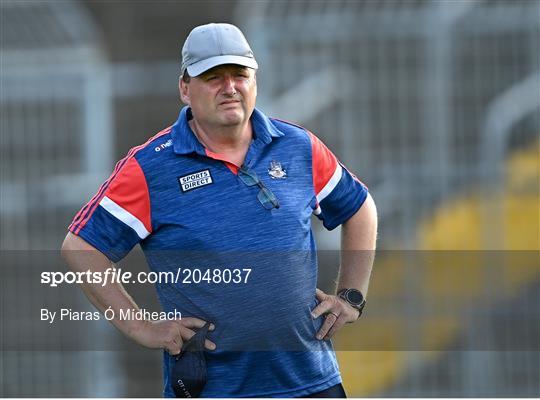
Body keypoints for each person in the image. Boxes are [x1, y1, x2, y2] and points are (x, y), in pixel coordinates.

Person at [61, 23, 377, 398]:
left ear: (254, 81)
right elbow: (81, 248)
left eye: (239, 75)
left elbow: (359, 207)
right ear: (184, 88)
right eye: (213, 77)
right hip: (214, 389)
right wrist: (142, 327)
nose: (229, 88)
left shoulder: (298, 146)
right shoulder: (150, 168)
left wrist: (351, 296)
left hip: (311, 382)